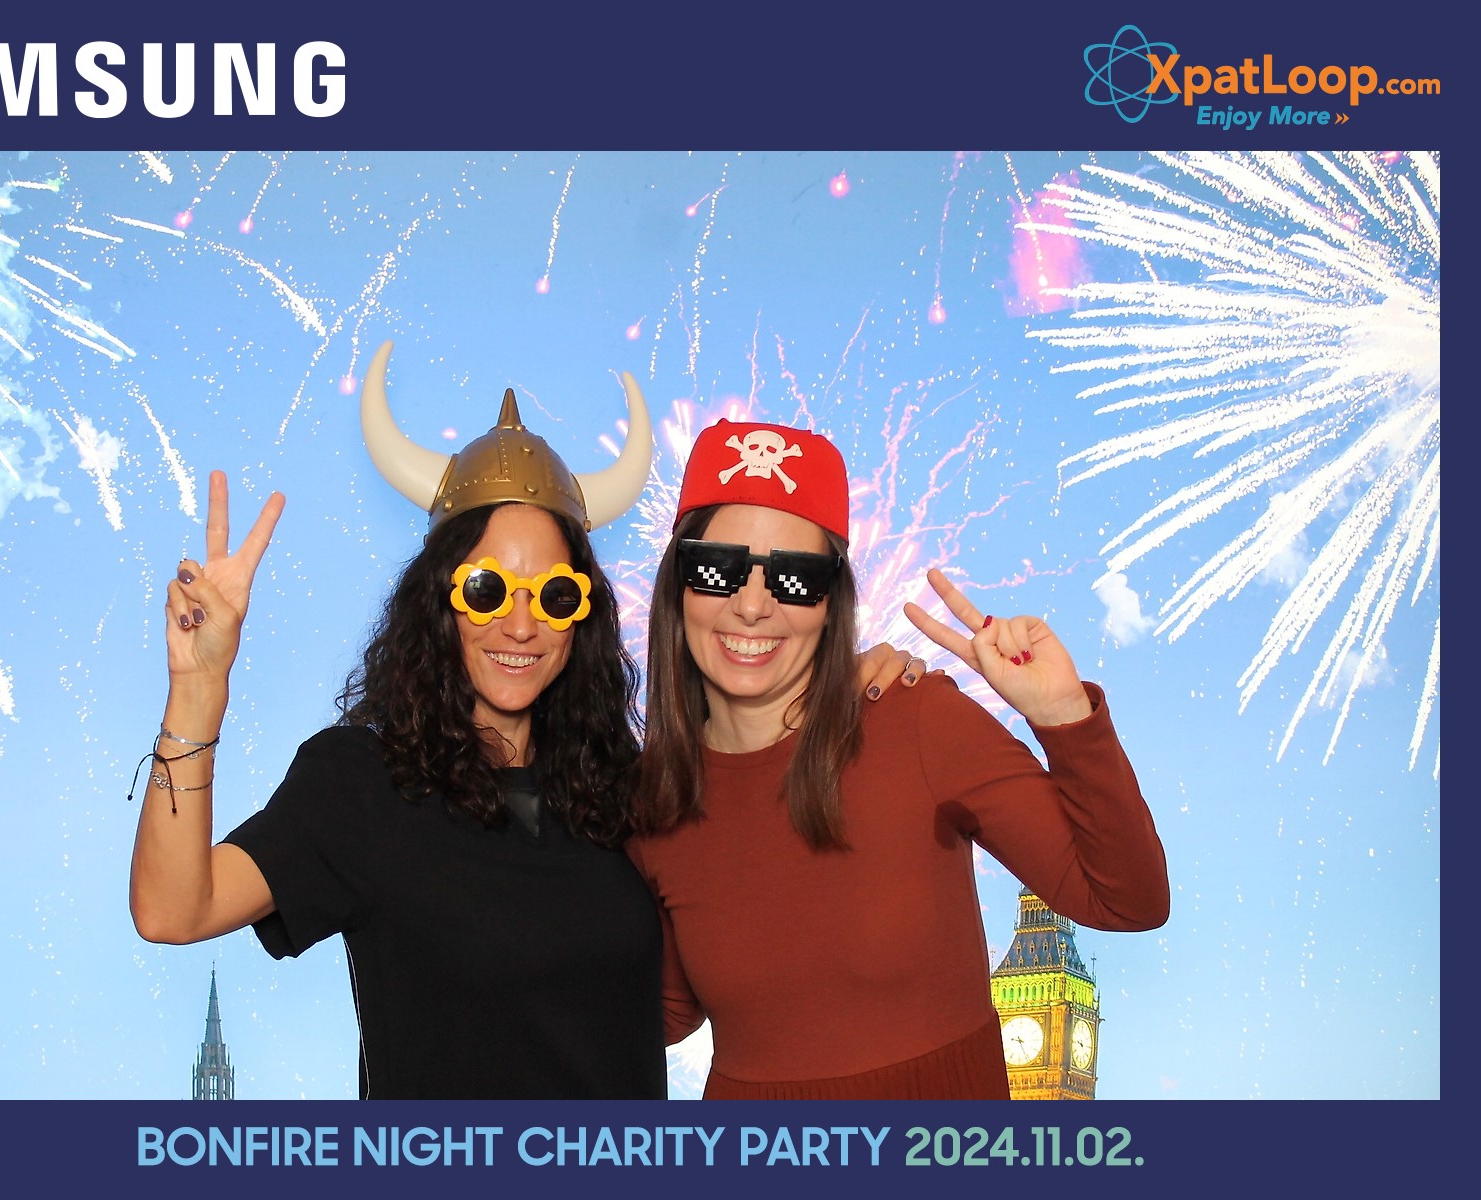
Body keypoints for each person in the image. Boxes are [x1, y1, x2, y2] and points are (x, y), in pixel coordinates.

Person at [128, 344, 922, 1099]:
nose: (520, 625)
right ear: (438, 601)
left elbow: (731, 951)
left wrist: (834, 703)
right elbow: (172, 910)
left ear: (584, 615)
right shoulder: (360, 782)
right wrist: (197, 687)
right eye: (486, 591)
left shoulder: (628, 794)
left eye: (553, 596)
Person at [627, 417, 1170, 1099]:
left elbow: (1128, 901)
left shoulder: (916, 721)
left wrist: (1065, 717)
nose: (753, 606)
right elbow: (662, 1011)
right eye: (718, 569)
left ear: (833, 603)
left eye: (795, 578)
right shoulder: (651, 802)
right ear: (677, 587)